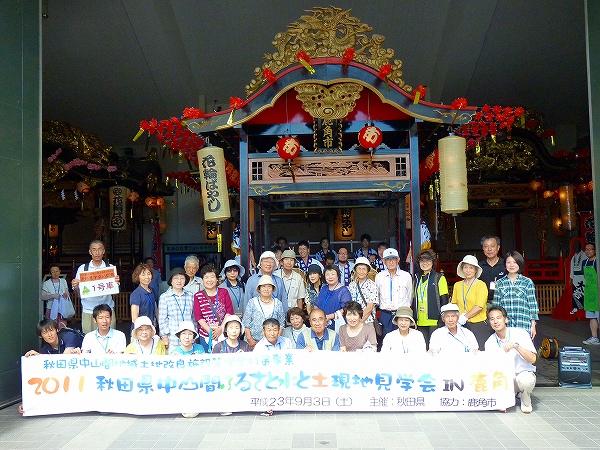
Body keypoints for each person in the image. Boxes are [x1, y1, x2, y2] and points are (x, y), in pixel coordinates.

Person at [485, 305, 537, 413]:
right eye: (492, 319)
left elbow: (533, 359)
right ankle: (507, 396)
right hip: (503, 378)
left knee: (526, 381)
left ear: (506, 319)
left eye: (498, 318)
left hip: (521, 374)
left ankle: (525, 400)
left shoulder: (521, 334)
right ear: (489, 322)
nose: (495, 322)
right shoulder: (489, 342)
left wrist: (516, 346)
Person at [72, 240, 119, 333]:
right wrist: (76, 288)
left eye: (99, 249)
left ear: (103, 251)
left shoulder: (110, 268)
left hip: (107, 310)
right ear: (90, 252)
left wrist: (116, 283)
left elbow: (115, 291)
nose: (97, 253)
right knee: (88, 338)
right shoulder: (83, 269)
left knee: (110, 338)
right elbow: (79, 295)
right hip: (88, 310)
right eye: (94, 250)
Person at [493, 251, 539, 339]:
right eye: (508, 262)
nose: (511, 265)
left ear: (520, 264)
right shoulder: (499, 283)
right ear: (505, 264)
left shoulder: (527, 282)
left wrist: (533, 324)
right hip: (505, 324)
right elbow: (496, 306)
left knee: (523, 346)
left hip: (523, 323)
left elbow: (532, 304)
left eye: (515, 262)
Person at [451, 254, 489, 350]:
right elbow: (454, 304)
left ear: (476, 270)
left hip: (477, 324)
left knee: (478, 351)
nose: (468, 270)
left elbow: (479, 306)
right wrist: (457, 318)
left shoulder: (481, 285)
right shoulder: (457, 285)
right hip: (461, 324)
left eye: (471, 268)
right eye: (465, 267)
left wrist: (465, 317)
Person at [413, 249, 449, 347]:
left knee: (435, 347)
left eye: (427, 260)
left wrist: (442, 319)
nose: (424, 263)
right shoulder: (416, 278)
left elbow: (444, 300)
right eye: (422, 260)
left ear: (433, 262)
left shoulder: (439, 278)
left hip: (435, 321)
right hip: (420, 321)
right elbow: (414, 299)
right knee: (423, 348)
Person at [375, 248, 413, 338]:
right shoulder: (379, 276)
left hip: (402, 315)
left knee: (403, 339)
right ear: (384, 261)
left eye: (393, 259)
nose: (391, 262)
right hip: (385, 315)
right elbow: (377, 296)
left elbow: (410, 296)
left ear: (398, 260)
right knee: (386, 340)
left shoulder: (406, 276)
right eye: (388, 259)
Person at [194, 265, 234, 347]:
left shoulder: (224, 292)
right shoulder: (198, 296)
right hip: (205, 335)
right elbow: (198, 317)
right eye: (206, 277)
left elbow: (229, 312)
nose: (209, 280)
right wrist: (210, 331)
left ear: (217, 279)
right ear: (202, 280)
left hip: (223, 334)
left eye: (212, 277)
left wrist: (221, 329)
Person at [243, 275, 286, 350]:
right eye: (263, 286)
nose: (266, 289)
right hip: (253, 342)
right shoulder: (252, 302)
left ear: (273, 289)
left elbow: (281, 324)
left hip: (272, 343)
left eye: (269, 287)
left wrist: (275, 340)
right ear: (259, 289)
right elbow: (246, 323)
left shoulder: (278, 303)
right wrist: (249, 339)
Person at [158, 268, 194, 353]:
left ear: (185, 281)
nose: (179, 281)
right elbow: (162, 320)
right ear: (171, 281)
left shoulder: (190, 296)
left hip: (189, 339)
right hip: (172, 340)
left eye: (182, 278)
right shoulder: (164, 297)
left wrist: (194, 335)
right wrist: (165, 338)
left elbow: (193, 317)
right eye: (176, 278)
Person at [314, 265, 352, 330]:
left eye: (333, 274)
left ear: (338, 275)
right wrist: (319, 318)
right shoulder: (324, 288)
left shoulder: (344, 290)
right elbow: (316, 305)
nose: (330, 277)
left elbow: (346, 309)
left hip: (337, 323)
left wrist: (329, 317)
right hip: (322, 323)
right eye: (327, 274)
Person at [347, 257, 378, 325]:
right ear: (355, 270)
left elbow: (370, 307)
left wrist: (359, 321)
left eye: (364, 269)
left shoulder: (372, 285)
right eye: (359, 269)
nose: (361, 272)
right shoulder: (352, 285)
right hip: (352, 321)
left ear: (368, 271)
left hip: (367, 321)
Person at [41, 264, 71, 329]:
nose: (55, 273)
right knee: (51, 328)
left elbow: (67, 292)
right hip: (51, 308)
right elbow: (42, 297)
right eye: (53, 272)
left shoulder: (63, 281)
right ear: (50, 273)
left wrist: (66, 295)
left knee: (62, 327)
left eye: (57, 271)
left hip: (62, 309)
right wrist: (52, 296)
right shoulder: (46, 283)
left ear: (60, 271)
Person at [129, 263, 157, 332]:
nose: (147, 277)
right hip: (140, 330)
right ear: (138, 277)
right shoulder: (136, 294)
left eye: (149, 274)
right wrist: (143, 331)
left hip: (151, 328)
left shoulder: (152, 290)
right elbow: (134, 319)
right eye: (143, 275)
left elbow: (156, 309)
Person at [479, 236, 506, 303]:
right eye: (486, 246)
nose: (489, 249)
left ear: (498, 247)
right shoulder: (479, 266)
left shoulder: (505, 264)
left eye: (492, 246)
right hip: (483, 301)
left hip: (502, 301)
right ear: (483, 248)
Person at [582, 243, 599, 345]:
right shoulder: (584, 262)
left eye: (590, 249)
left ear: (595, 250)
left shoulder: (598, 262)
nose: (588, 251)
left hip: (598, 291)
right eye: (586, 249)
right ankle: (594, 337)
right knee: (591, 316)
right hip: (589, 291)